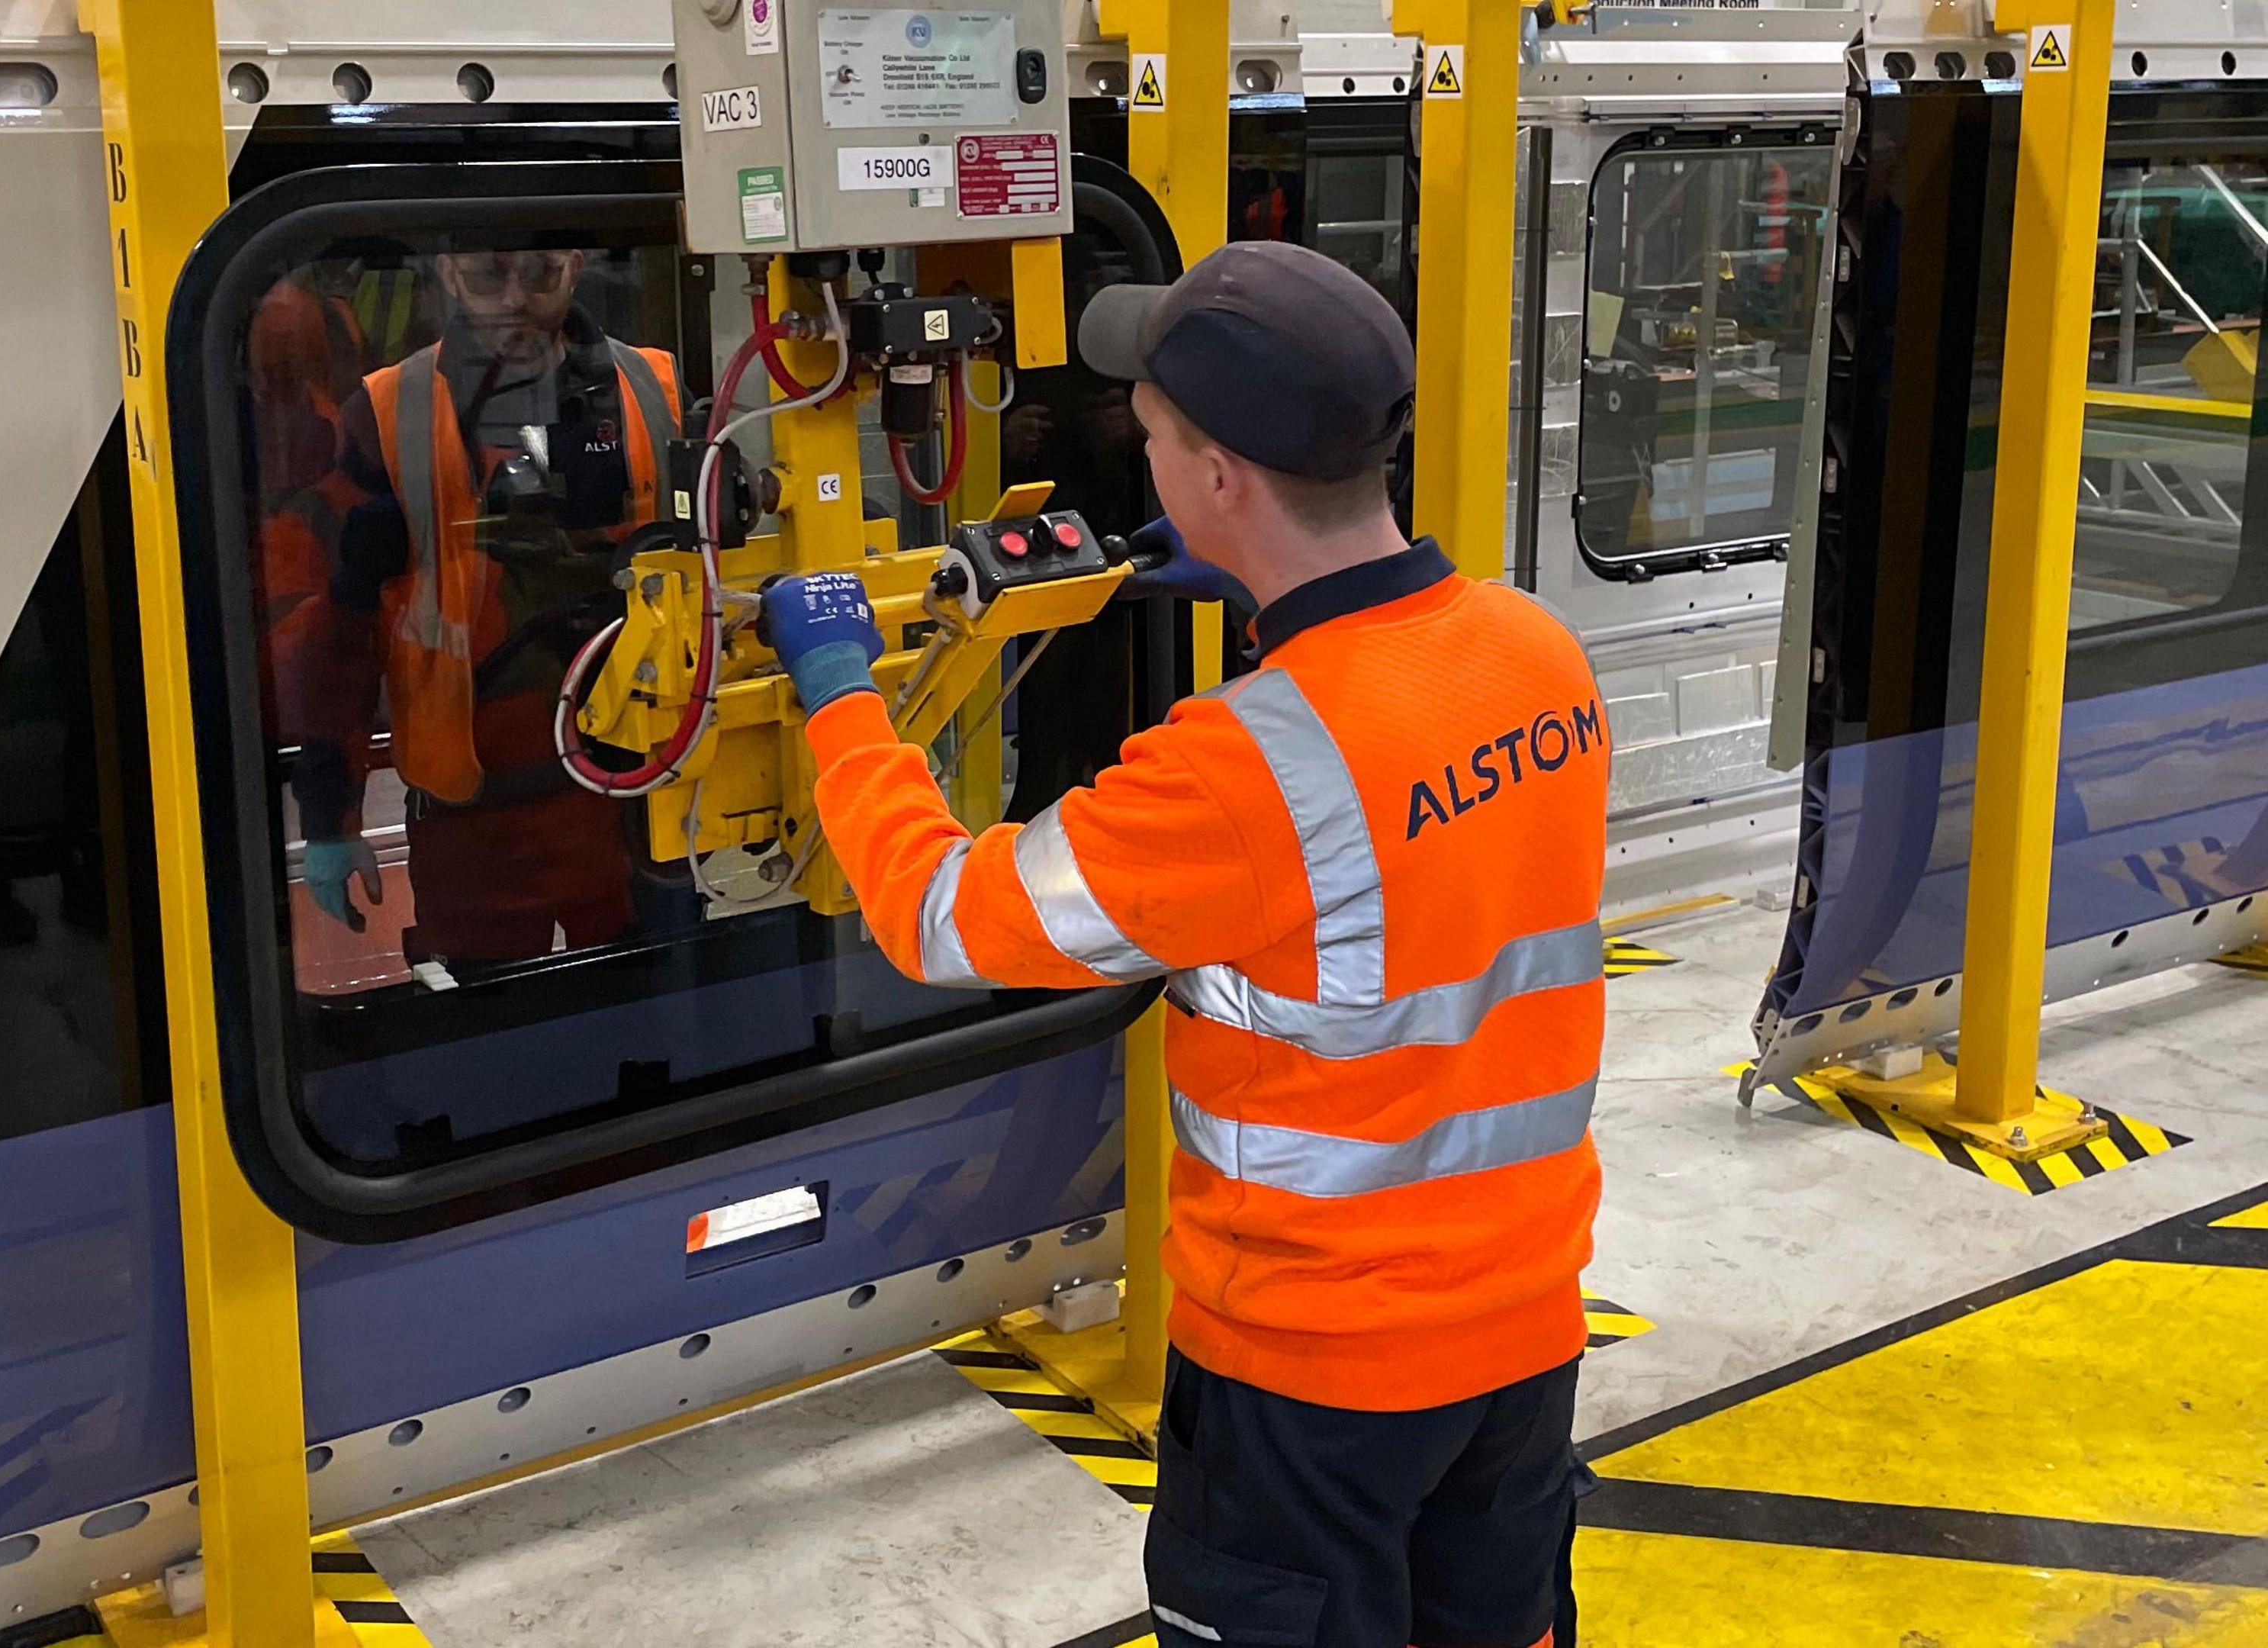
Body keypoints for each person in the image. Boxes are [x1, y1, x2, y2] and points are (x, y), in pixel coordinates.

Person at [760, 242, 1607, 1648]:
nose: (1139, 461)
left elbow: (939, 914)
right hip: (1523, 1336)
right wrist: (1253, 595)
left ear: (1220, 478)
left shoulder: (1245, 769)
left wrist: (841, 693)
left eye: (1149, 438)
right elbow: (1404, 838)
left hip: (1311, 1373)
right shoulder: (1534, 650)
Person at [287, 246, 681, 964]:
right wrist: (328, 816)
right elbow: (339, 637)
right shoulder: (384, 413)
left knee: (662, 1043)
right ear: (444, 272)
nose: (515, 298)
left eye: (541, 274)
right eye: (488, 275)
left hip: (637, 810)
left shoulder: (654, 389)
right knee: (488, 1045)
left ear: (578, 263)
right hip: (474, 825)